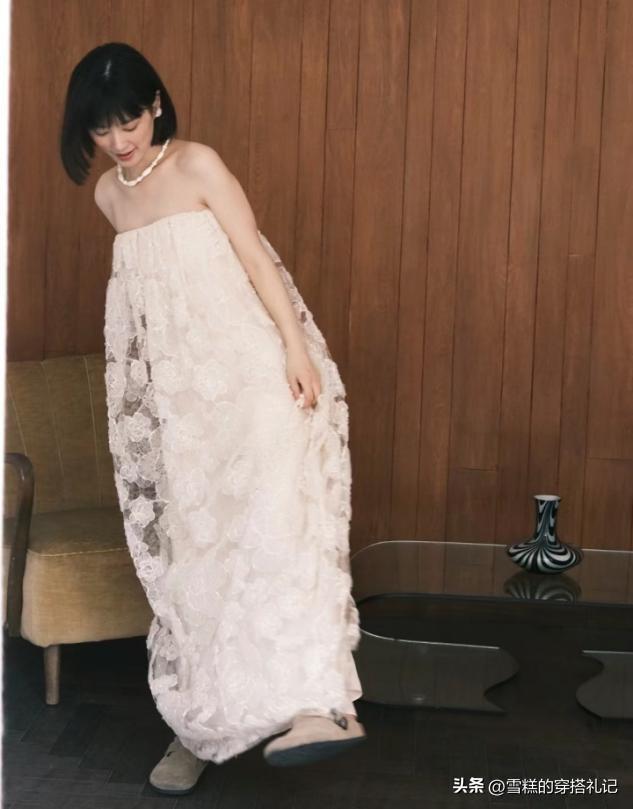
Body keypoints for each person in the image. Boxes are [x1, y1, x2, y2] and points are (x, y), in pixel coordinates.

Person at [59, 41, 366, 793]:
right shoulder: (108, 198)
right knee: (198, 557)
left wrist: (295, 351)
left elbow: (256, 259)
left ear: (156, 105)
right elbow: (142, 318)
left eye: (130, 119)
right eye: (102, 127)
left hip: (256, 384)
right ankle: (199, 725)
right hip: (187, 408)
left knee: (278, 536)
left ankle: (315, 705)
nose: (120, 139)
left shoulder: (198, 165)